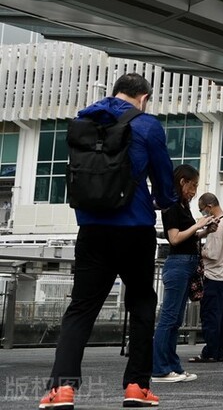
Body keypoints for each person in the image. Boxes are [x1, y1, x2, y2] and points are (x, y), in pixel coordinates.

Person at [40, 74, 175, 410]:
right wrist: (163, 200)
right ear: (144, 97)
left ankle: (62, 388)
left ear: (115, 92)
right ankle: (136, 386)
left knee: (81, 308)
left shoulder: (84, 120)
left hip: (92, 227)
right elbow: (163, 177)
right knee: (141, 303)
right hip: (135, 227)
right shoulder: (146, 124)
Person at [153, 164, 212, 383]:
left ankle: (172, 367)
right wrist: (198, 226)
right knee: (169, 319)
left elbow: (187, 237)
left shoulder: (182, 205)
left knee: (175, 320)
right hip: (178, 264)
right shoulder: (171, 205)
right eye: (193, 185)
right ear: (182, 182)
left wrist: (205, 230)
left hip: (184, 263)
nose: (194, 191)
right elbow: (175, 238)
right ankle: (160, 369)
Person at [193, 193, 223, 365]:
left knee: (210, 315)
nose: (203, 213)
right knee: (220, 317)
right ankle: (217, 352)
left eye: (202, 209)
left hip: (213, 275)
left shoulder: (217, 225)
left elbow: (213, 253)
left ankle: (209, 352)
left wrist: (199, 250)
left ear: (209, 207)